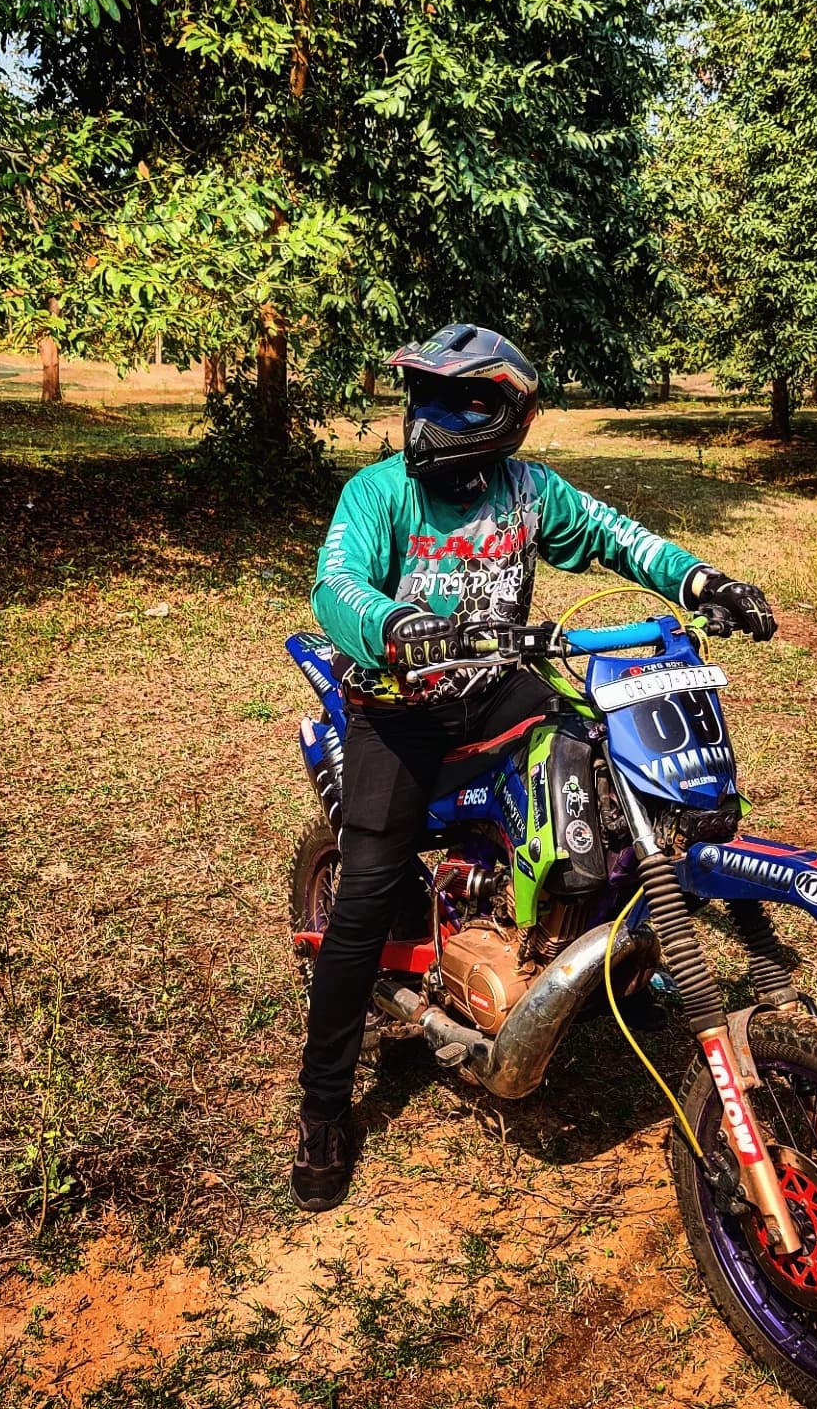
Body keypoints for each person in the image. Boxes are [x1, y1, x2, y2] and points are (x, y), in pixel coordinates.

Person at [292, 323, 776, 1211]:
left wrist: (704, 582)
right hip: (397, 710)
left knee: (606, 767)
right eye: (426, 395)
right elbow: (337, 586)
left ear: (510, 415)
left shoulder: (528, 493)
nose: (434, 418)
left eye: (463, 401)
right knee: (363, 895)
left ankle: (605, 950)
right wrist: (395, 626)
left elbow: (621, 538)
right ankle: (323, 1110)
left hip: (499, 688)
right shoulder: (378, 492)